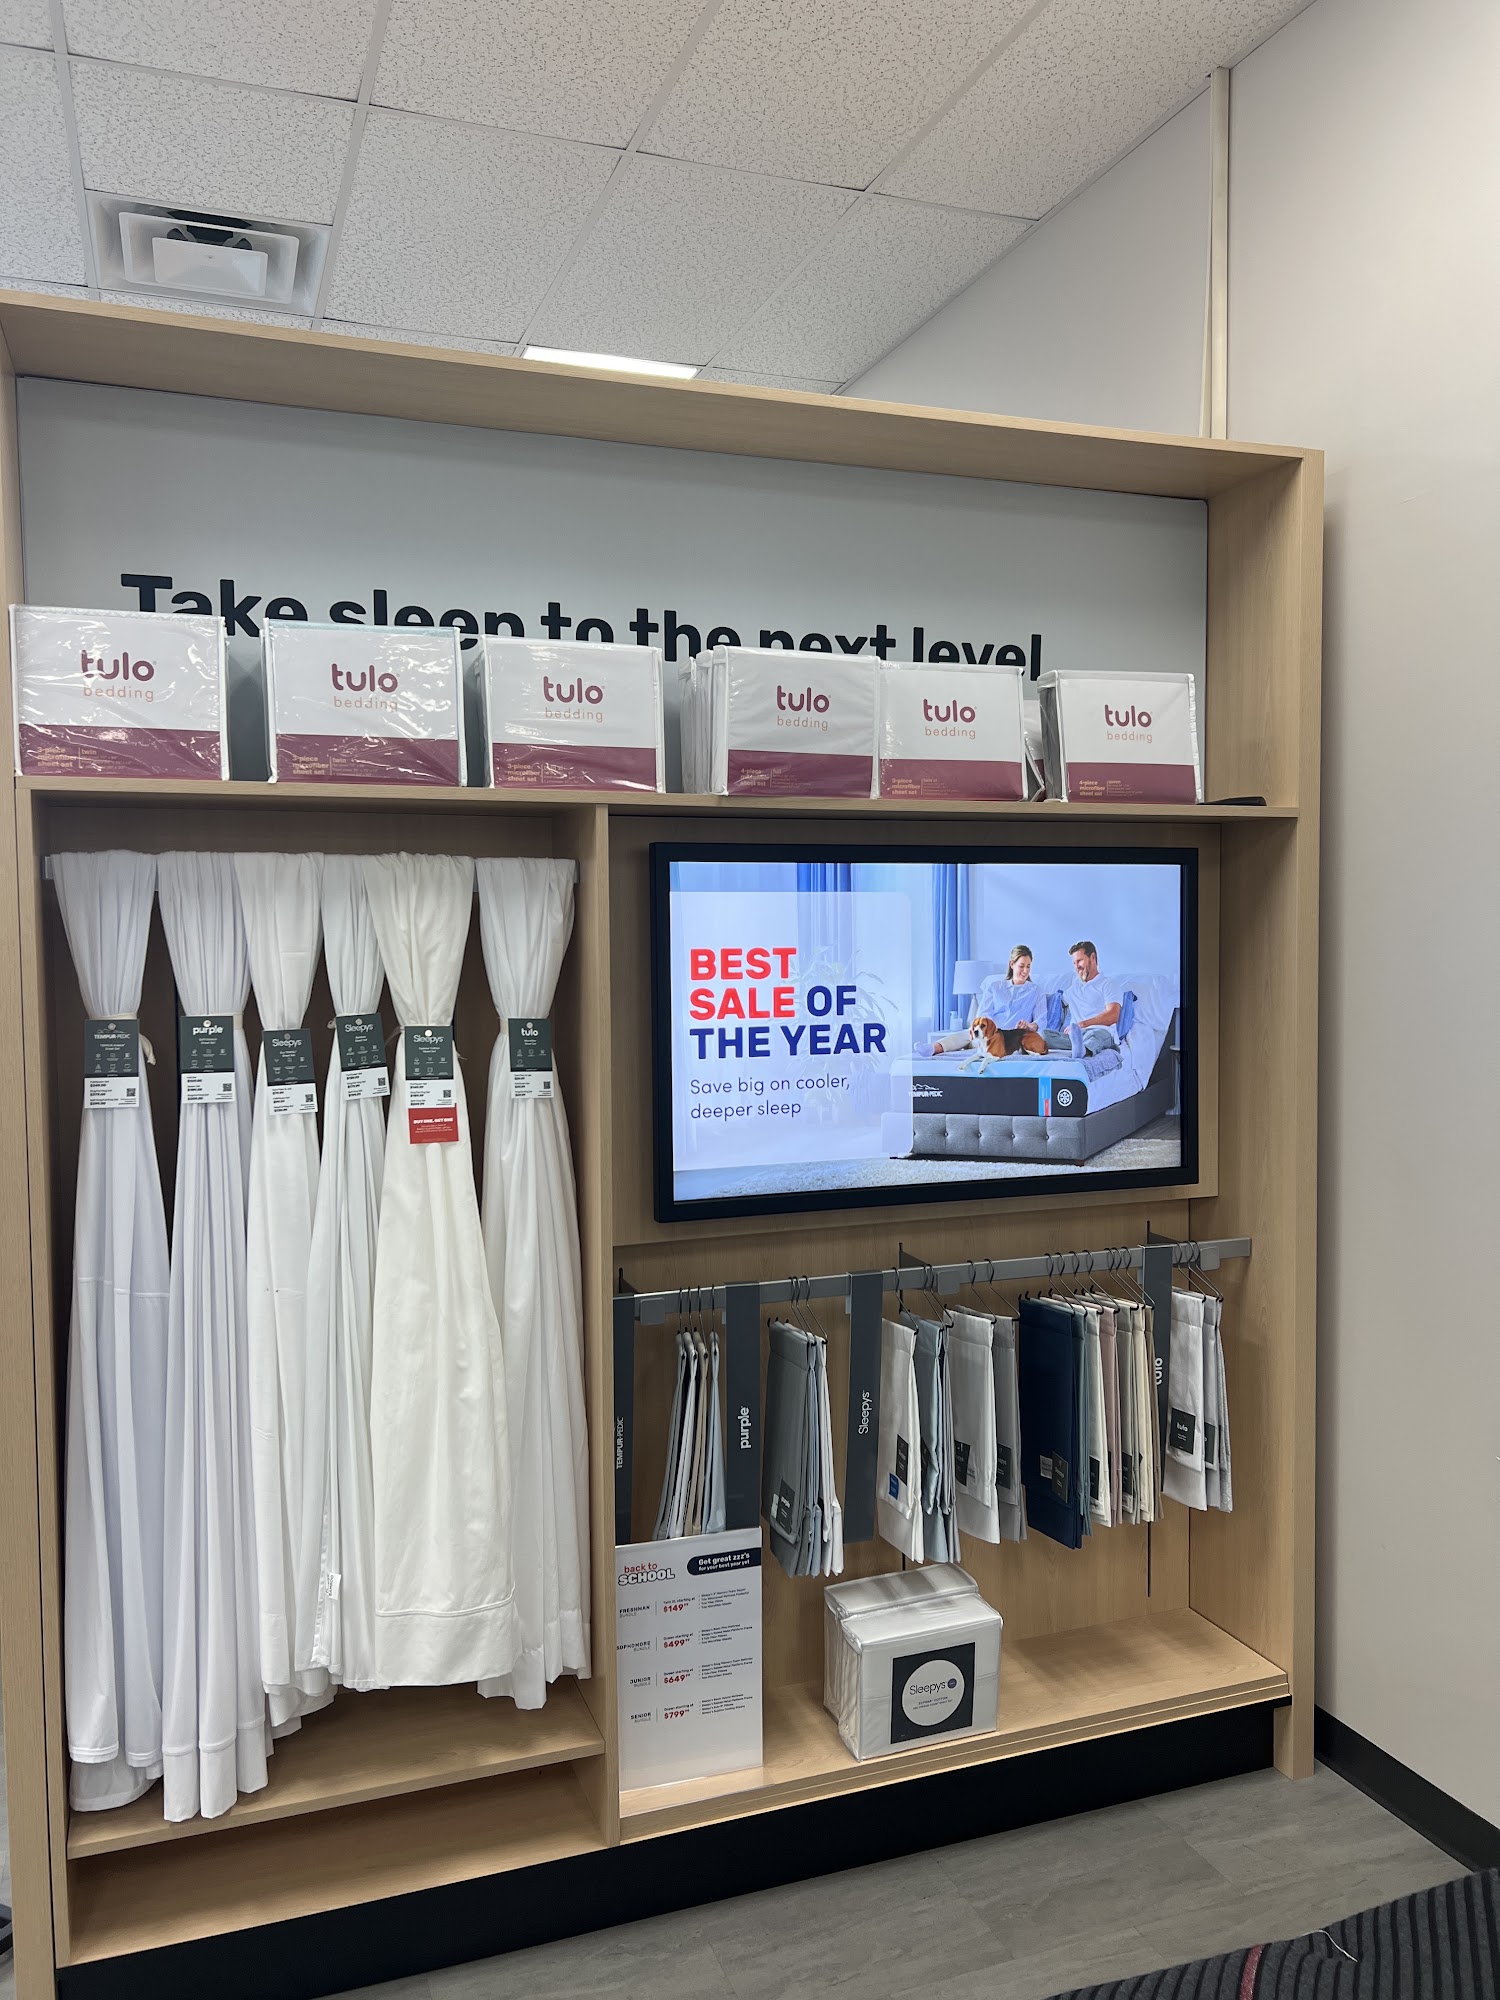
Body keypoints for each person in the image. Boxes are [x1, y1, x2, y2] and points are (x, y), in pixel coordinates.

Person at [1060, 940, 1128, 1057]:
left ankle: (1084, 1050)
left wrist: (1082, 1024)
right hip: (1075, 1036)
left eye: (1079, 961)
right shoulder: (1073, 988)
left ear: (1092, 958)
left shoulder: (1108, 984)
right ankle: (1078, 1046)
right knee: (1045, 1035)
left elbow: (1113, 1015)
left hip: (1099, 1031)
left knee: (1095, 1037)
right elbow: (1056, 1002)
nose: (1077, 967)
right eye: (1074, 963)